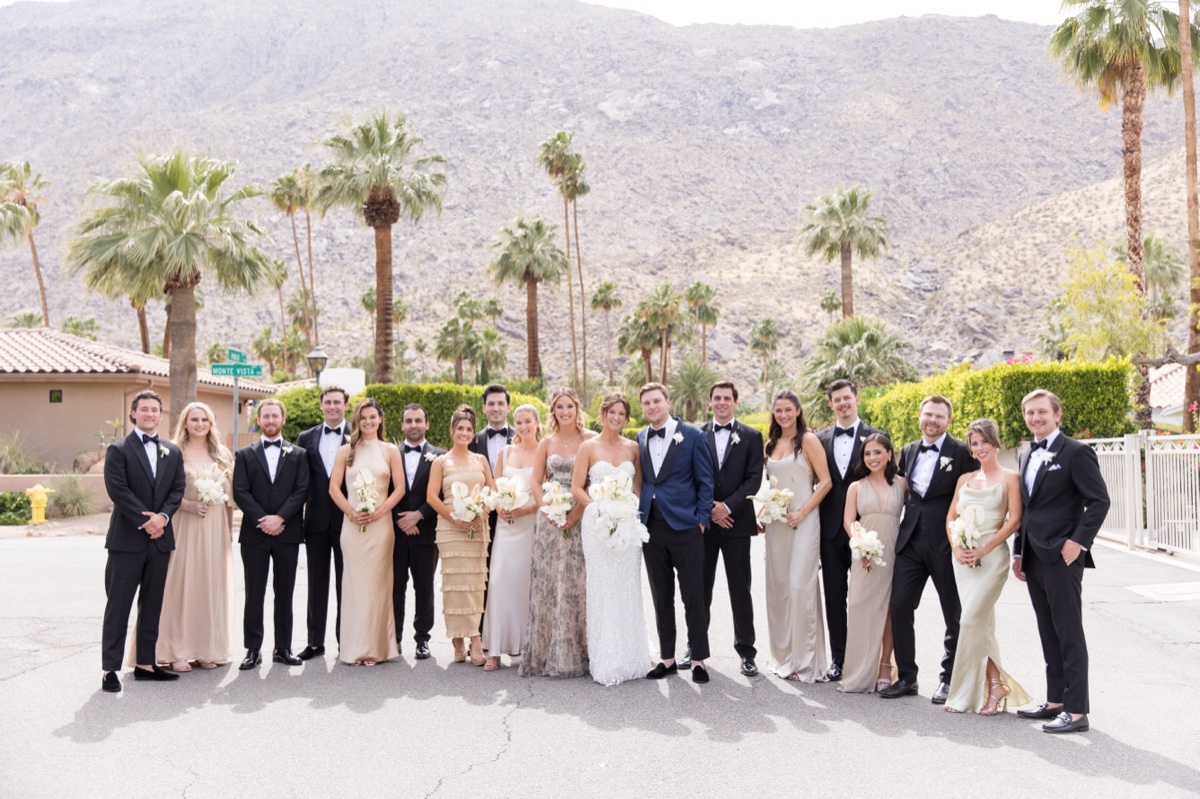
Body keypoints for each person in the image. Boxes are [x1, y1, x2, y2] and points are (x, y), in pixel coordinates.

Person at [1013, 390, 1109, 734]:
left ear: (1057, 415)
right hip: (1034, 556)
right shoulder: (1026, 454)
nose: (1035, 418)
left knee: (1068, 632)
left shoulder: (1077, 452)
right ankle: (1055, 700)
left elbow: (1099, 501)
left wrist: (1078, 544)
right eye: (1029, 413)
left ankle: (1078, 710)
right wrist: (1018, 551)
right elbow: (1027, 510)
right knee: (1047, 630)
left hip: (1062, 556)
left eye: (1041, 412)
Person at [881, 395, 978, 702]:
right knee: (899, 606)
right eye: (928, 415)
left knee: (954, 613)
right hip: (910, 542)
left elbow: (975, 492)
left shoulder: (962, 452)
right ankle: (908, 677)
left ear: (949, 420)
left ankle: (948, 679)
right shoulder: (908, 450)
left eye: (939, 416)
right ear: (919, 416)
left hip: (946, 542)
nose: (933, 421)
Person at [100, 389, 187, 693]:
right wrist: (146, 521)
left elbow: (178, 490)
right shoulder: (119, 449)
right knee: (119, 606)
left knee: (152, 604)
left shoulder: (172, 452)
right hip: (127, 541)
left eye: (155, 410)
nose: (150, 414)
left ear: (161, 416)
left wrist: (162, 518)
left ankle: (146, 665)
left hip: (161, 540)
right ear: (133, 414)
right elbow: (118, 490)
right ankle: (110, 669)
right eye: (144, 409)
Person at [944, 418, 1031, 714]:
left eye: (984, 442)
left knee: (969, 622)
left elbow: (1016, 519)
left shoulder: (1011, 478)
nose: (979, 448)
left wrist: (985, 546)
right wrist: (957, 547)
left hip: (992, 557)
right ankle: (996, 687)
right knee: (981, 625)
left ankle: (962, 695)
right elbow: (951, 518)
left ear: (995, 443)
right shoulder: (963, 480)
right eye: (974, 443)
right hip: (964, 561)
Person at [148, 401, 235, 671]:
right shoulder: (174, 452)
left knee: (209, 586)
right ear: (185, 422)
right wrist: (188, 505)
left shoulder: (222, 454)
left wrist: (228, 533)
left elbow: (230, 499)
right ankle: (176, 650)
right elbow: (165, 493)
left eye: (204, 420)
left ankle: (206, 648)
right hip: (184, 523)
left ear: (211, 424)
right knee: (180, 584)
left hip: (215, 527)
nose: (199, 424)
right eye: (194, 419)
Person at [637, 382, 715, 684]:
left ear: (668, 401)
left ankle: (698, 660)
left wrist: (701, 520)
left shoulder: (693, 435)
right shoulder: (641, 436)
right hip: (652, 528)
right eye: (646, 403)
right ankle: (667, 658)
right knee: (661, 596)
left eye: (657, 401)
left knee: (693, 595)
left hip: (686, 527)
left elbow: (705, 481)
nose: (652, 407)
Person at [572, 393, 650, 686]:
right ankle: (606, 658)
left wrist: (629, 512)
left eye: (622, 414)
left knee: (627, 587)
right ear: (602, 414)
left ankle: (632, 656)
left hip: (628, 525)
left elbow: (638, 485)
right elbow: (577, 487)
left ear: (627, 418)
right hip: (597, 524)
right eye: (612, 412)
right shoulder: (588, 447)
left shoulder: (633, 448)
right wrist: (599, 507)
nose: (616, 418)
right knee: (603, 587)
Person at [519, 387, 595, 678]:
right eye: (559, 407)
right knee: (549, 583)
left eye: (570, 407)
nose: (565, 412)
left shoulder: (590, 439)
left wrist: (576, 512)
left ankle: (584, 652)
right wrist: (547, 509)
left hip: (581, 516)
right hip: (549, 522)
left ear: (577, 409)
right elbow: (537, 481)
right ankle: (544, 652)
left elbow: (593, 480)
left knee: (578, 583)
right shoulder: (546, 443)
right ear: (553, 412)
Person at [232, 399, 309, 671]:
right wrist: (263, 520)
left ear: (283, 419)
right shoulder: (244, 454)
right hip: (255, 534)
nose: (270, 421)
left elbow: (301, 490)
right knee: (254, 592)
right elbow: (240, 491)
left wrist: (280, 518)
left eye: (275, 416)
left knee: (284, 592)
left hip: (287, 533)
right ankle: (253, 650)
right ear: (259, 420)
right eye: (265, 417)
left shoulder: (299, 454)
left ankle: (283, 648)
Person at [328, 398, 407, 666]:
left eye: (373, 417)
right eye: (363, 418)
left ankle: (376, 648)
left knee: (377, 587)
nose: (368, 422)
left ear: (380, 419)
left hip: (381, 528)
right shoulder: (345, 451)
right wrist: (352, 512)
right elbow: (333, 489)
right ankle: (353, 648)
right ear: (357, 421)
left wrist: (380, 510)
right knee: (354, 586)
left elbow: (400, 488)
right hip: (352, 528)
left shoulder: (390, 450)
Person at [761, 389, 832, 683]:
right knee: (779, 590)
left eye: (788, 409)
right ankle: (783, 656)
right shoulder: (771, 444)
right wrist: (763, 511)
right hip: (777, 524)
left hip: (803, 521)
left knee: (800, 587)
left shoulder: (808, 441)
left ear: (798, 410)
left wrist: (802, 512)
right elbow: (772, 484)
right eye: (778, 410)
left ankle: (805, 662)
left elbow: (825, 482)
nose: (783, 415)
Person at [815, 378, 882, 682]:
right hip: (829, 531)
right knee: (834, 596)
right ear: (831, 405)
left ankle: (865, 659)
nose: (842, 403)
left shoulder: (876, 437)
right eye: (837, 400)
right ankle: (839, 659)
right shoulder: (819, 438)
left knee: (864, 597)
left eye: (847, 398)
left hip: (864, 530)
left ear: (857, 398)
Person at [697, 381, 763, 678]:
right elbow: (692, 475)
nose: (721, 402)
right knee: (699, 589)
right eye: (717, 398)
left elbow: (753, 479)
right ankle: (695, 647)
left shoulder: (751, 436)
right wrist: (712, 508)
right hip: (705, 525)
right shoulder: (697, 434)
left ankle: (747, 653)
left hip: (736, 523)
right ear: (710, 402)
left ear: (735, 402)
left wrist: (727, 507)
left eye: (727, 398)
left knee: (740, 590)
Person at [427, 405, 497, 667]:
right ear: (452, 431)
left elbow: (492, 490)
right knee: (455, 584)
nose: (464, 433)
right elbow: (432, 497)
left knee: (475, 584)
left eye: (469, 429)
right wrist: (454, 517)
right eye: (460, 428)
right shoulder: (440, 462)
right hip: (450, 529)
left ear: (473, 434)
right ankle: (458, 637)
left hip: (478, 528)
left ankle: (474, 637)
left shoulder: (480, 461)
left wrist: (483, 512)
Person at [838, 433, 904, 694]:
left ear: (889, 453)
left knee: (889, 610)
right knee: (859, 606)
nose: (872, 458)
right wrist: (860, 544)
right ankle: (858, 669)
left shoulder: (902, 484)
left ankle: (885, 665)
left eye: (878, 452)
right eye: (867, 453)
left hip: (894, 552)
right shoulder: (856, 487)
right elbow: (848, 521)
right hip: (864, 554)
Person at [481, 404, 542, 670]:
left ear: (537, 423)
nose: (523, 426)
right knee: (498, 582)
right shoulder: (505, 453)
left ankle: (525, 647)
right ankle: (494, 648)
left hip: (530, 524)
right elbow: (494, 487)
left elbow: (546, 492)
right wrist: (500, 507)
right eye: (519, 422)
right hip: (506, 527)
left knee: (525, 585)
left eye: (528, 421)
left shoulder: (544, 451)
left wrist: (525, 508)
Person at [295, 385, 350, 661]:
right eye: (327, 402)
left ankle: (347, 641)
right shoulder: (305, 437)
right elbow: (299, 481)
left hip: (349, 520)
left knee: (346, 582)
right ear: (321, 406)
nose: (332, 406)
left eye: (337, 402)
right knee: (316, 582)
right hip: (315, 520)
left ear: (346, 405)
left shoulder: (359, 435)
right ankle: (315, 642)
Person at [391, 403, 444, 660]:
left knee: (424, 588)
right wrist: (401, 518)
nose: (413, 425)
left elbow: (441, 494)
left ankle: (422, 638)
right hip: (395, 534)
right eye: (409, 421)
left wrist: (419, 515)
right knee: (395, 588)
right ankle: (395, 639)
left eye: (418, 420)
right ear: (402, 425)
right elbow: (384, 489)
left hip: (426, 534)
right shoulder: (390, 454)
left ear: (427, 424)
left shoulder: (440, 456)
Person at [470, 384, 511, 634]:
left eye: (500, 403)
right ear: (484, 408)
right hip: (481, 518)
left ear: (508, 406)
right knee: (483, 576)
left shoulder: (524, 436)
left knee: (512, 575)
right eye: (491, 404)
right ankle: (483, 634)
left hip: (513, 518)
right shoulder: (472, 440)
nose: (495, 408)